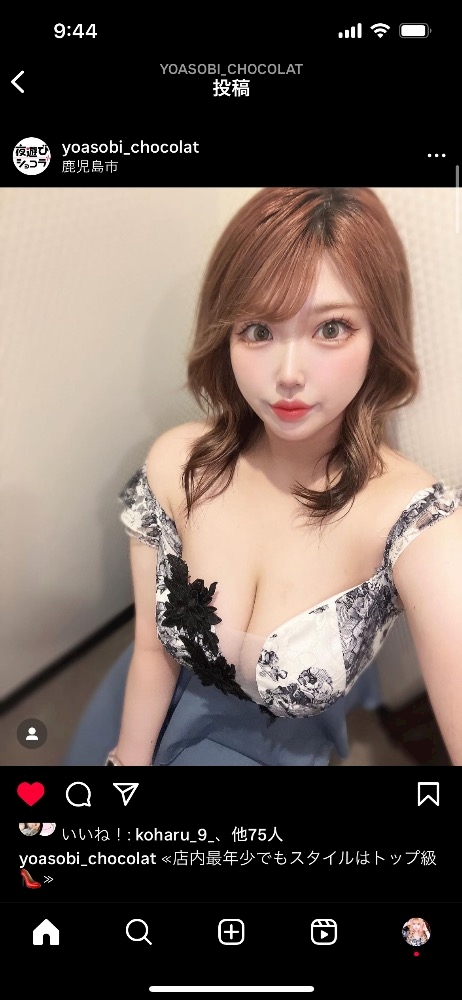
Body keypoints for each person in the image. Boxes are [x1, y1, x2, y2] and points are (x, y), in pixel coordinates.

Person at [64, 187, 462, 767]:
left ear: (379, 335)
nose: (289, 374)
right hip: (146, 708)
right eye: (257, 329)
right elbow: (151, 647)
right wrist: (126, 763)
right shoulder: (178, 464)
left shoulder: (418, 526)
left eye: (331, 328)